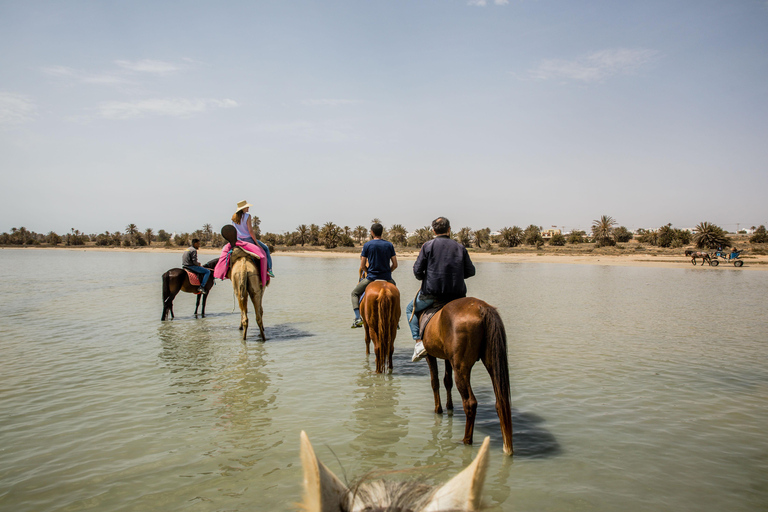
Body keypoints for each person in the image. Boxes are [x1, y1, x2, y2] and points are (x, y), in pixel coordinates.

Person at [408, 216, 475, 362]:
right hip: (457, 296)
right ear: (449, 230)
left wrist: (425, 277)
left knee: (409, 310)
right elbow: (471, 272)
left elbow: (417, 272)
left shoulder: (427, 246)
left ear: (433, 230)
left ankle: (419, 342)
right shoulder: (460, 247)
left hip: (432, 295)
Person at [350, 223, 398, 328]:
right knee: (396, 294)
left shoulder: (367, 245)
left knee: (354, 293)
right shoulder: (389, 245)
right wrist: (388, 272)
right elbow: (395, 265)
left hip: (371, 278)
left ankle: (358, 318)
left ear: (372, 232)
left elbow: (362, 265)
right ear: (382, 232)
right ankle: (395, 320)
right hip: (387, 278)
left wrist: (368, 272)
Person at [232, 200, 274, 277]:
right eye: (246, 207)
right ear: (243, 208)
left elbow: (234, 230)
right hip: (248, 240)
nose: (248, 208)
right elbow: (250, 231)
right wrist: (256, 243)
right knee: (266, 249)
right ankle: (269, 269)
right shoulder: (247, 216)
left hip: (238, 241)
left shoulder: (234, 217)